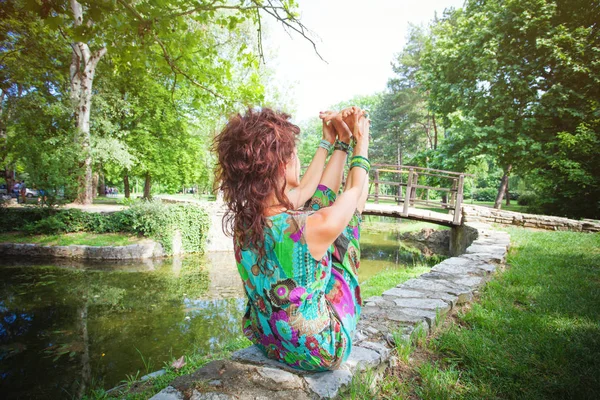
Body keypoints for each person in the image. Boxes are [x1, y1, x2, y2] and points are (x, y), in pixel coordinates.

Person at [214, 106, 371, 371]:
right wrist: (361, 142)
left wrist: (338, 143)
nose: (298, 160)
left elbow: (312, 191)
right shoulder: (311, 228)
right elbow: (355, 191)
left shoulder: (246, 220)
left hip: (271, 340)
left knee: (319, 212)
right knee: (347, 223)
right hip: (320, 351)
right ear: (282, 165)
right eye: (295, 155)